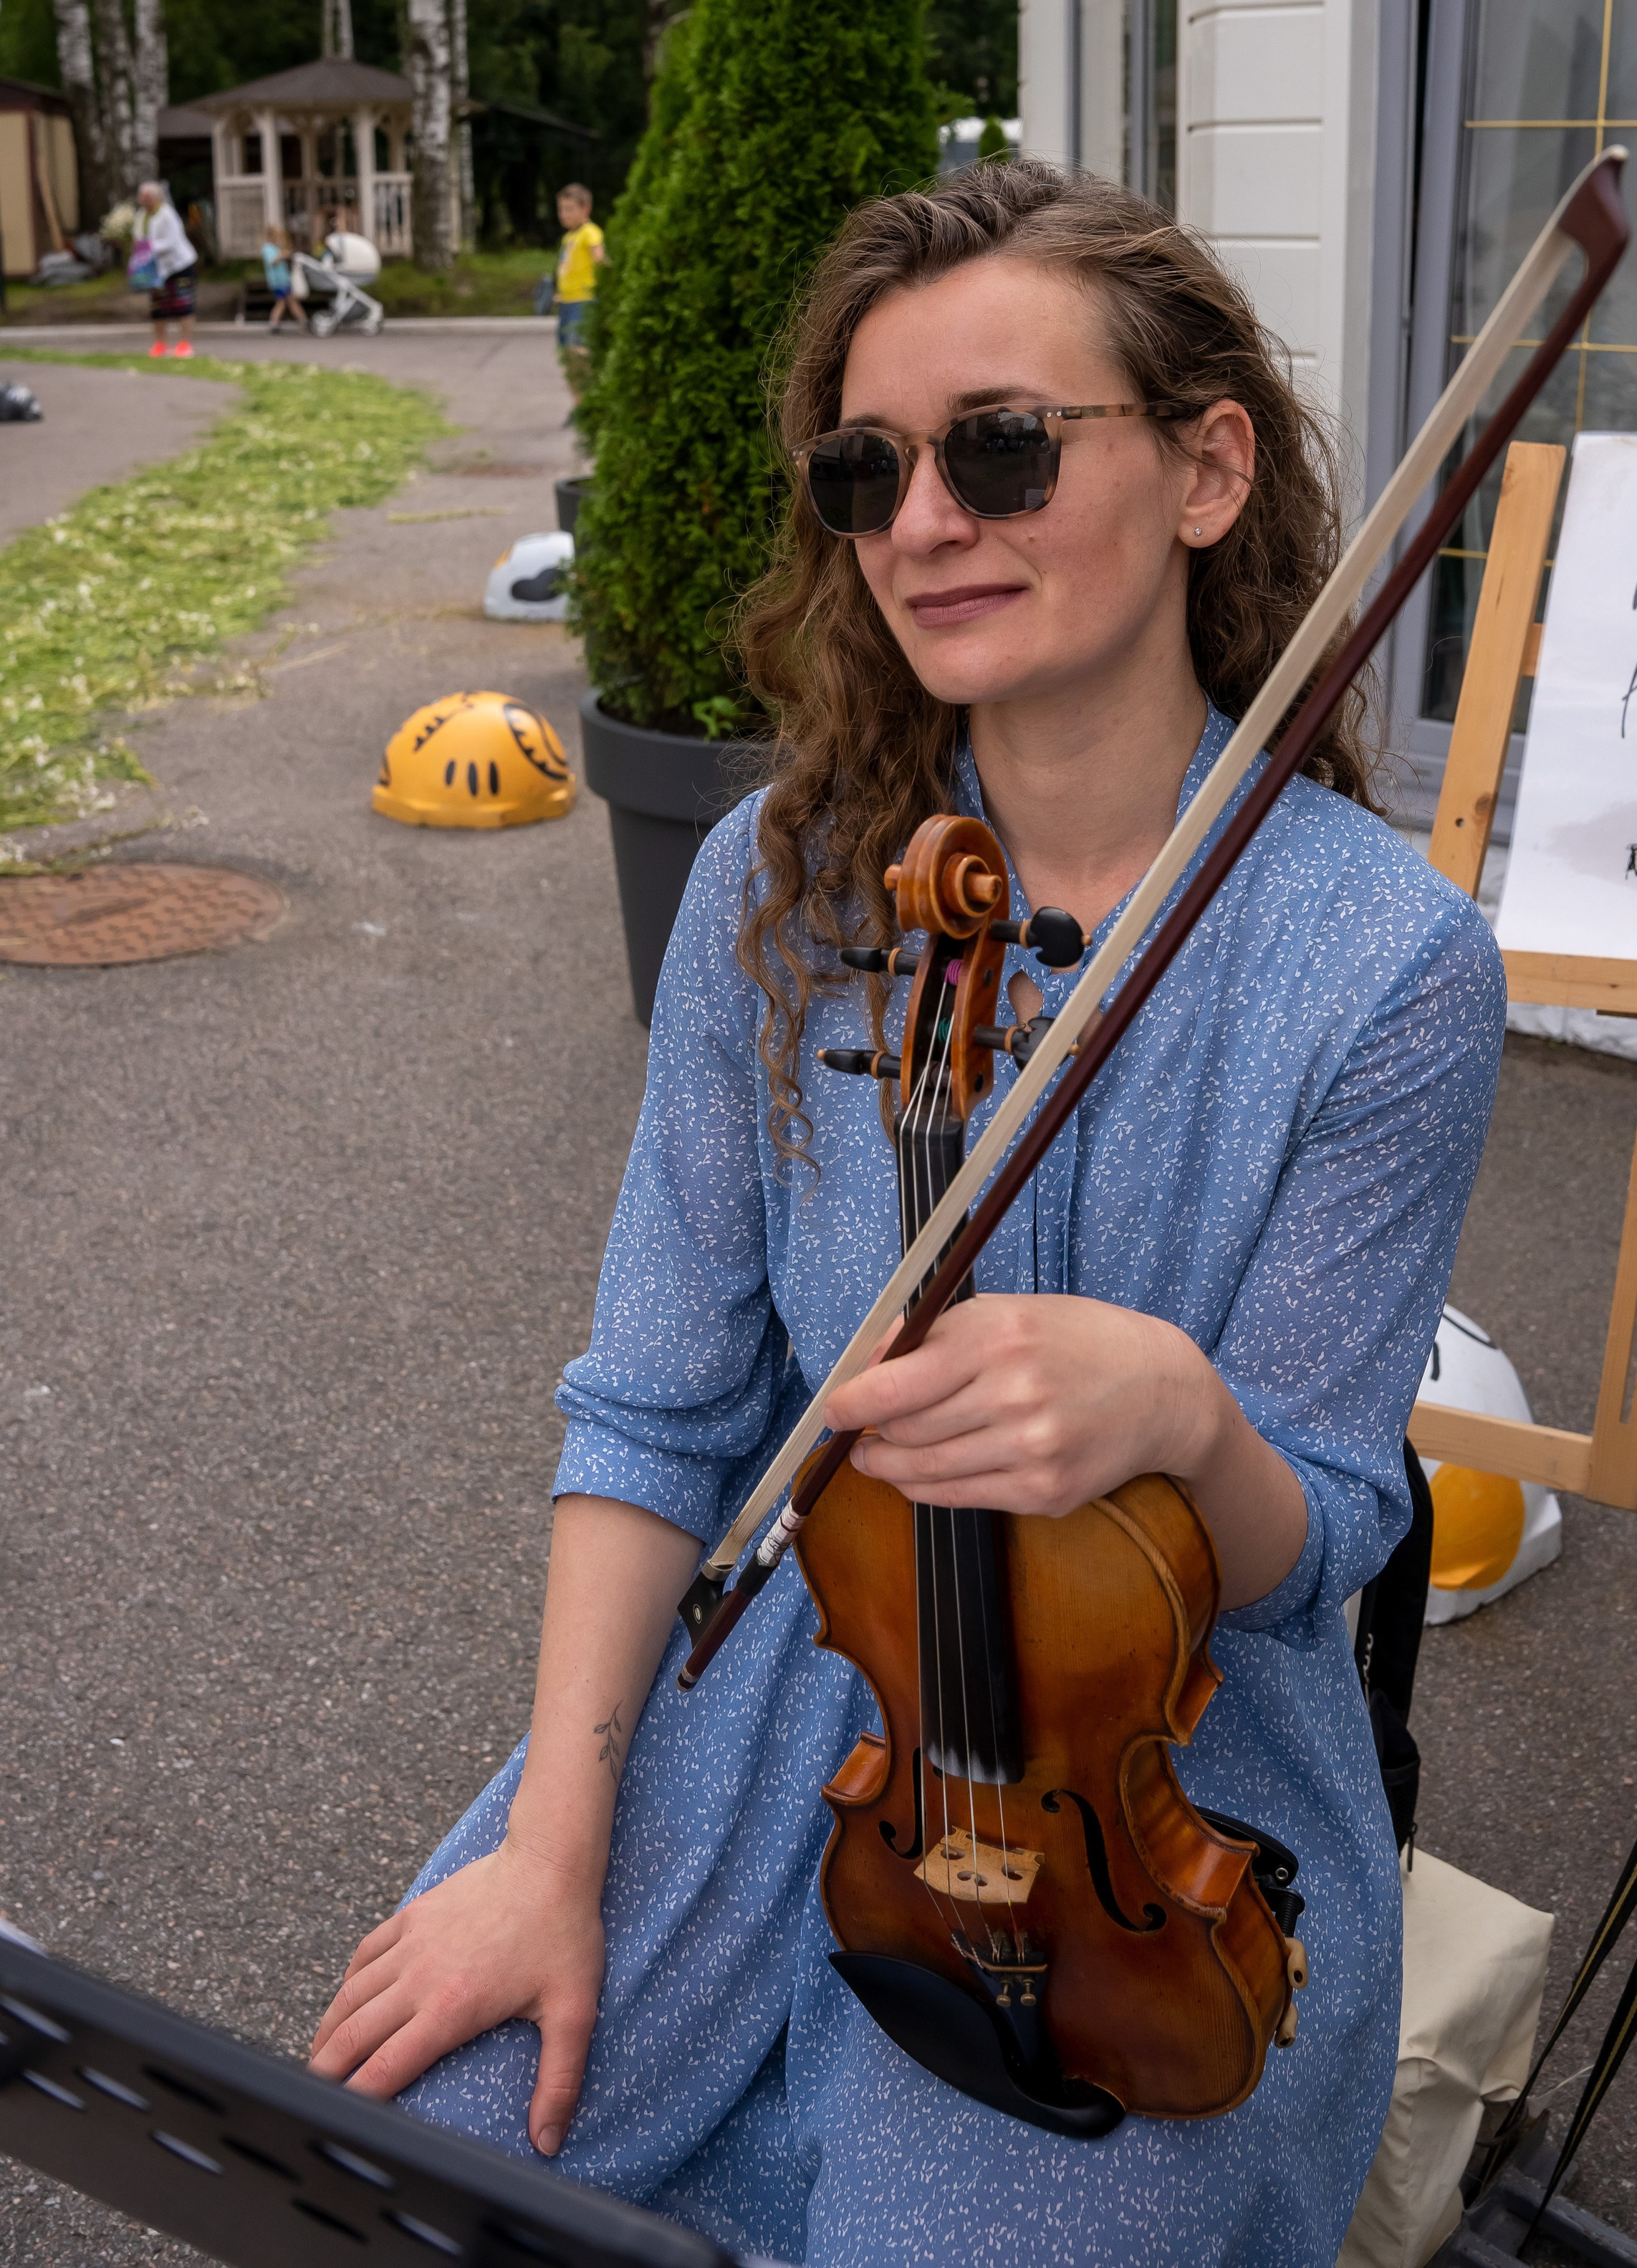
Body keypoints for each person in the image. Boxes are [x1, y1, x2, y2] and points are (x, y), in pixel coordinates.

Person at [309, 162, 1506, 2268]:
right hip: (790, 1683)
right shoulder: (785, 887)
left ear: (1207, 469)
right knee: (416, 2153)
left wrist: (1181, 1416)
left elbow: (1320, 1525)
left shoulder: (1383, 968)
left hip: (1143, 1788)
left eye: (1002, 448)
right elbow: (658, 1411)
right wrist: (551, 1847)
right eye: (868, 470)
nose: (925, 521)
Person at [132, 180, 198, 360]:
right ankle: (160, 344)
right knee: (158, 307)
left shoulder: (167, 214)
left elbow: (172, 242)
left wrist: (149, 248)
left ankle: (184, 345)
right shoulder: (141, 216)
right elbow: (138, 238)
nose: (144, 200)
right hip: (157, 269)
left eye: (148, 196)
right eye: (142, 196)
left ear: (157, 197)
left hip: (179, 266)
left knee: (183, 305)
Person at [552, 181, 603, 403]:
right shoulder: (569, 237)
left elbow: (599, 259)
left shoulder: (589, 233)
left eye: (570, 209)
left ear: (586, 209)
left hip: (583, 301)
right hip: (567, 302)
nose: (564, 215)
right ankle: (578, 402)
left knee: (578, 351)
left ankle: (589, 399)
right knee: (567, 355)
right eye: (561, 209)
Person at [261, 224, 306, 332]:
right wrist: (281, 255)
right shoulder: (267, 248)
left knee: (288, 301)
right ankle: (302, 321)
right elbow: (272, 262)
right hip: (279, 281)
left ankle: (303, 321)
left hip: (283, 280)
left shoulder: (275, 248)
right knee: (284, 302)